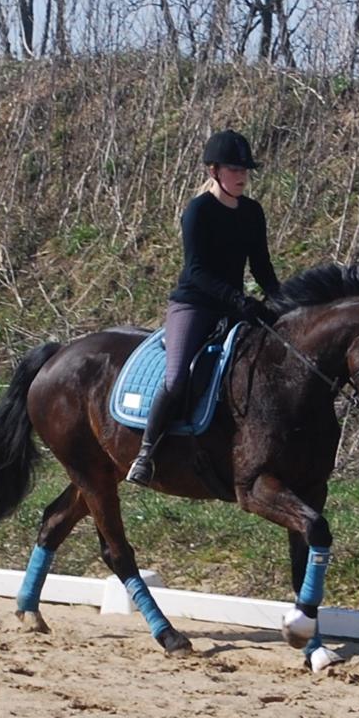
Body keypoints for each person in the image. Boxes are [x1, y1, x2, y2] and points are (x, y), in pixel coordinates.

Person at [126, 128, 282, 486]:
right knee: (178, 376)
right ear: (214, 171)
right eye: (234, 169)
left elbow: (261, 267)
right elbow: (196, 272)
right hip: (194, 305)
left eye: (245, 170)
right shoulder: (198, 212)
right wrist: (238, 300)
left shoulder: (252, 212)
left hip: (233, 308)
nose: (242, 176)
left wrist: (282, 301)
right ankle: (147, 453)